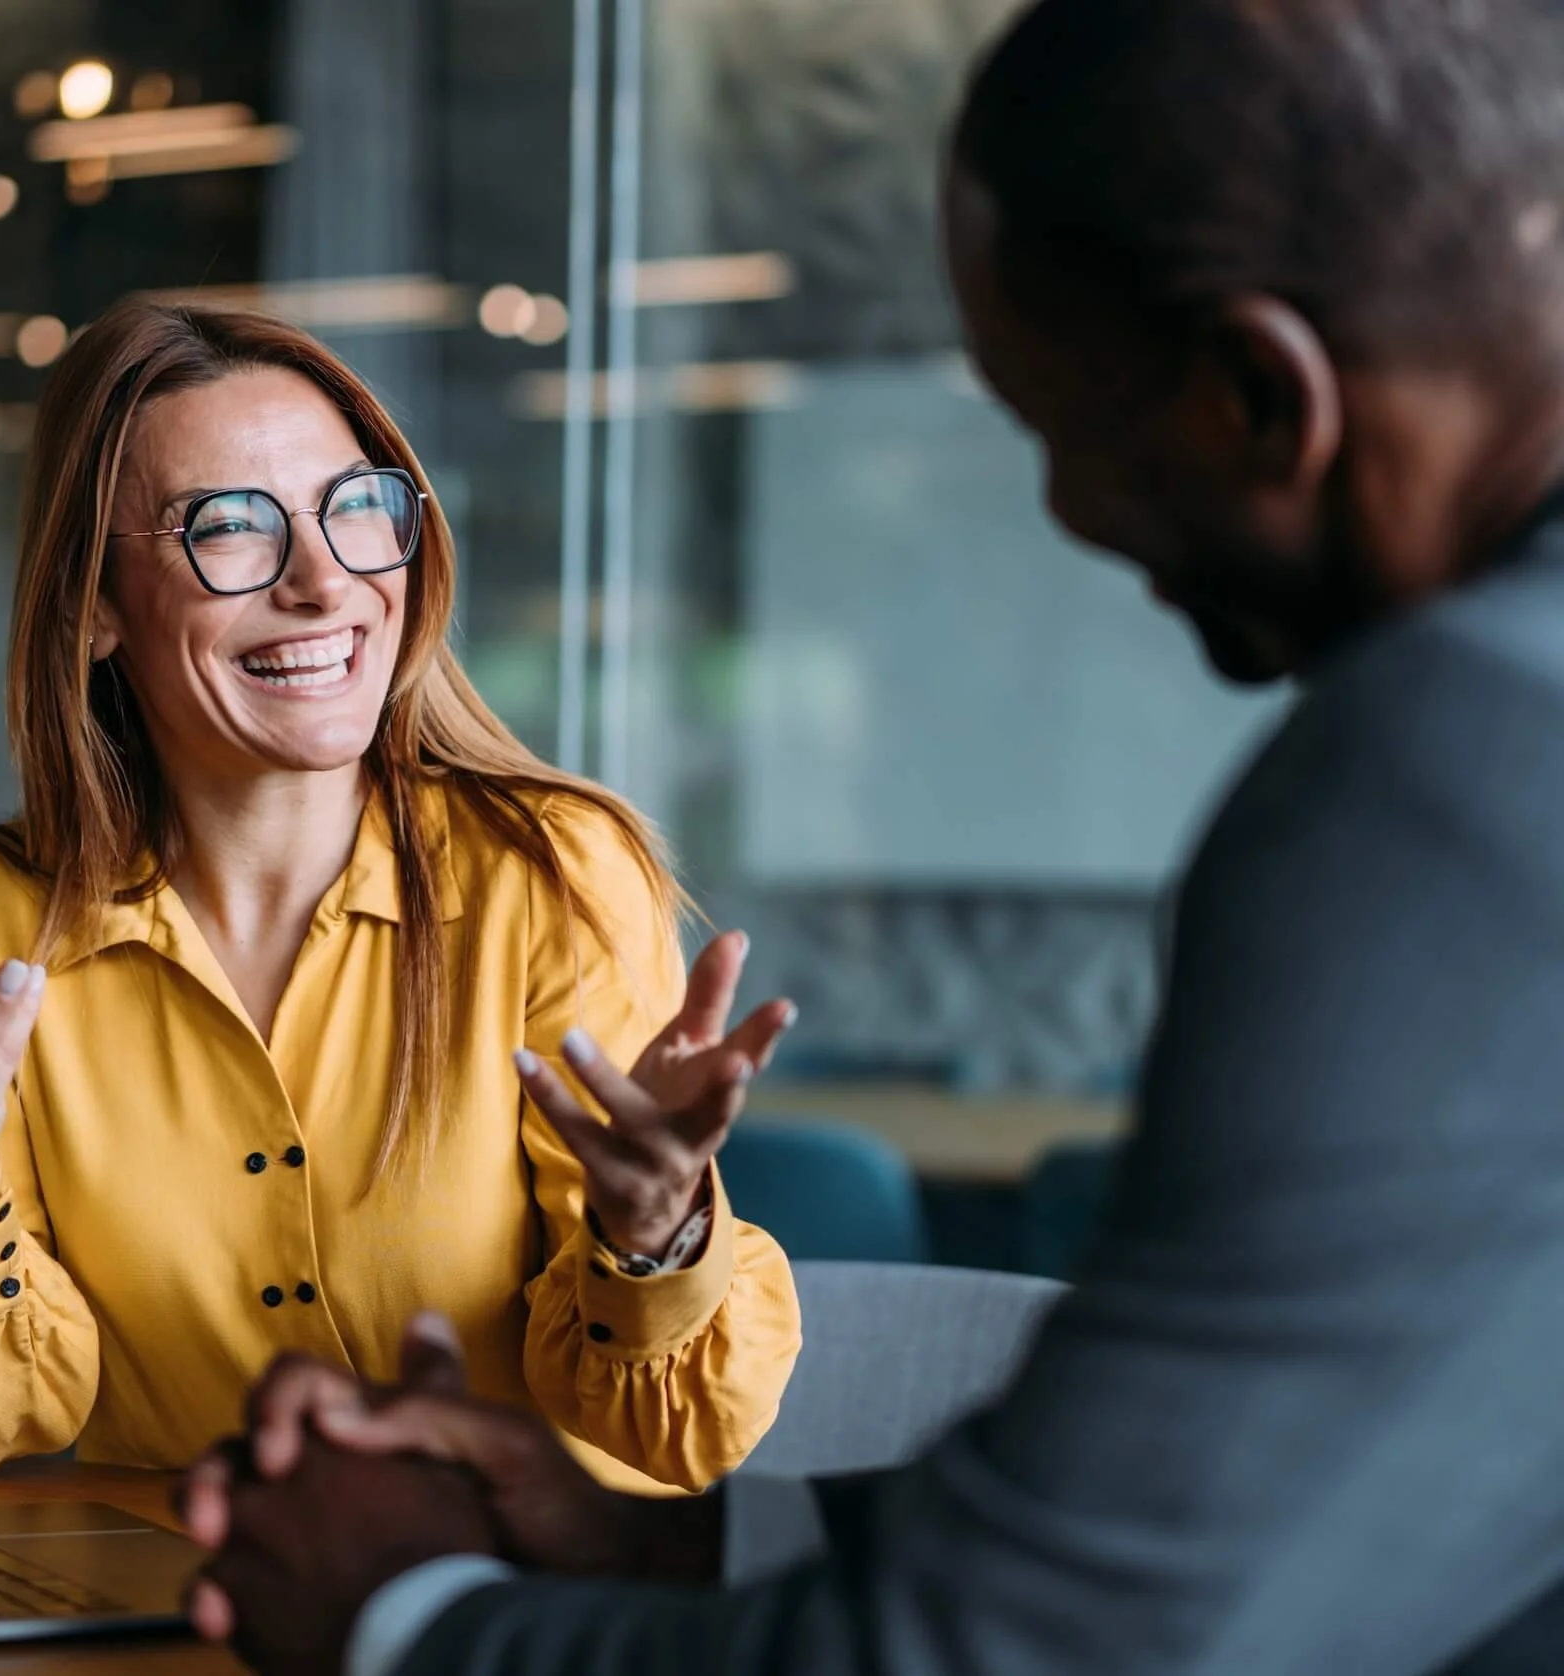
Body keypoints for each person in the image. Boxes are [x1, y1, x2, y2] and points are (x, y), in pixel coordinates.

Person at [174, 1, 1564, 1672]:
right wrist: (658, 1532)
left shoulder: (1463, 766)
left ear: (1263, 394)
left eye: (1071, 429)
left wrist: (408, 1615)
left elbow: (1040, 1650)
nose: (1066, 513)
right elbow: (1364, 1496)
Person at [0, 301, 801, 1495]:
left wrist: (654, 1234)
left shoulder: (553, 874)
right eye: (228, 528)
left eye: (356, 506)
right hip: (168, 1611)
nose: (324, 579)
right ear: (92, 603)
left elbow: (675, 1436)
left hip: (500, 1617)